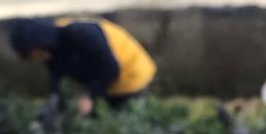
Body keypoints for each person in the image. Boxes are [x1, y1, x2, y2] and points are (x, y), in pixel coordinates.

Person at [9, 16, 157, 117]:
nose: (32, 59)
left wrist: (89, 97)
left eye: (29, 53)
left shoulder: (81, 34)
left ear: (37, 44)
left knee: (126, 122)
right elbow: (57, 84)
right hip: (109, 83)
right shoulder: (52, 53)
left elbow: (110, 69)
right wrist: (46, 115)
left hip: (133, 75)